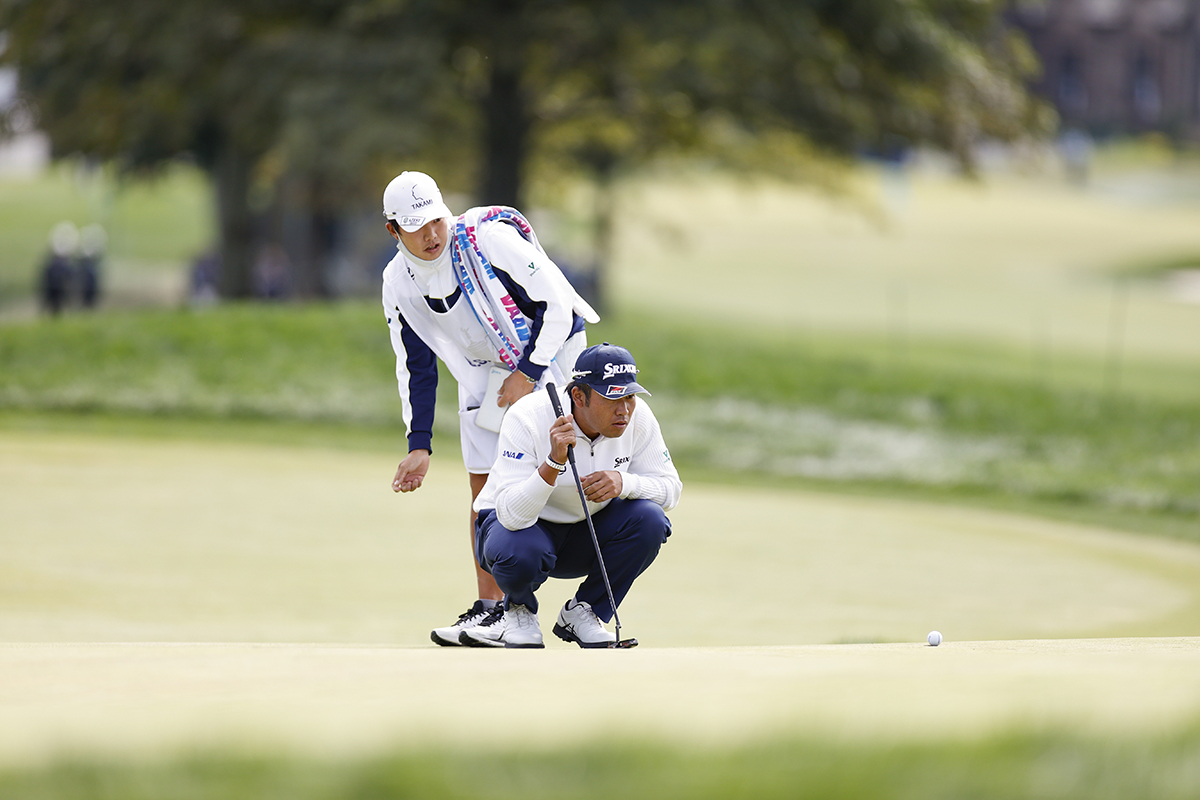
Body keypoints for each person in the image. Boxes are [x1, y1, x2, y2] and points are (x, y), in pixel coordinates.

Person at [380, 170, 599, 646]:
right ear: (393, 230)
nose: (432, 233)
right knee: (483, 490)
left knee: (564, 474)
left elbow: (558, 304)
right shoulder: (397, 281)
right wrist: (419, 445)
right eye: (416, 226)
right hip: (483, 371)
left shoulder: (487, 239)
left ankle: (586, 606)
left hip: (552, 351)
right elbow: (415, 365)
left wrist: (528, 371)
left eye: (436, 219)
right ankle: (493, 611)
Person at [461, 343, 682, 648]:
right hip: (516, 534)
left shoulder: (637, 417)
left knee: (651, 520)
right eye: (611, 398)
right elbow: (511, 514)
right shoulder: (528, 415)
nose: (624, 409)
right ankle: (518, 610)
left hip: (584, 531)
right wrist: (552, 463)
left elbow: (671, 489)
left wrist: (624, 482)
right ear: (579, 396)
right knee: (520, 546)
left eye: (629, 396)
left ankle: (583, 612)